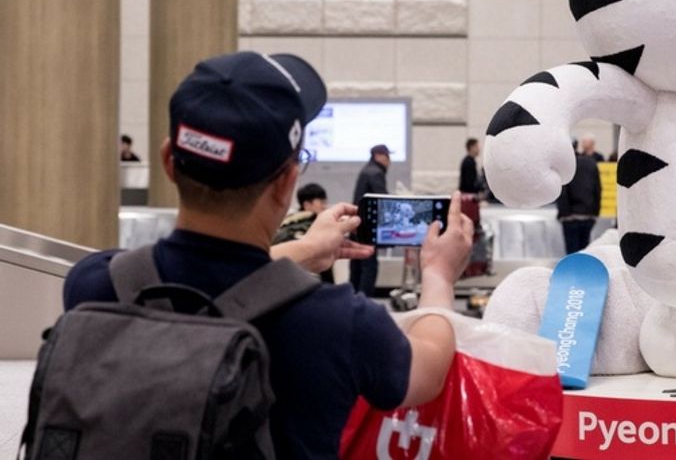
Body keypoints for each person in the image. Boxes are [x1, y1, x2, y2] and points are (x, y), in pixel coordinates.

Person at [62, 51, 473, 458]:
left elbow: (206, 284)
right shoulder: (336, 321)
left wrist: (307, 249)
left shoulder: (97, 284)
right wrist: (438, 274)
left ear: (169, 161)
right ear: (287, 183)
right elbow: (428, 368)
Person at [274, 183, 335, 283]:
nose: (325, 207)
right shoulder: (311, 229)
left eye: (325, 202)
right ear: (307, 205)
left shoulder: (287, 224)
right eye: (321, 203)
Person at [350, 144, 390, 297]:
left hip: (358, 223)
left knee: (357, 266)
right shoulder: (375, 173)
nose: (389, 161)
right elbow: (383, 199)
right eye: (387, 157)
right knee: (369, 265)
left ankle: (352, 299)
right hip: (368, 226)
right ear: (379, 155)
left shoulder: (366, 170)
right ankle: (363, 301)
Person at [556, 147, 602, 253]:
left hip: (570, 217)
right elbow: (598, 189)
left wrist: (564, 214)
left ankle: (572, 270)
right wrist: (595, 213)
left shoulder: (566, 167)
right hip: (588, 215)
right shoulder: (591, 163)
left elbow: (562, 191)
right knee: (584, 252)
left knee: (571, 254)